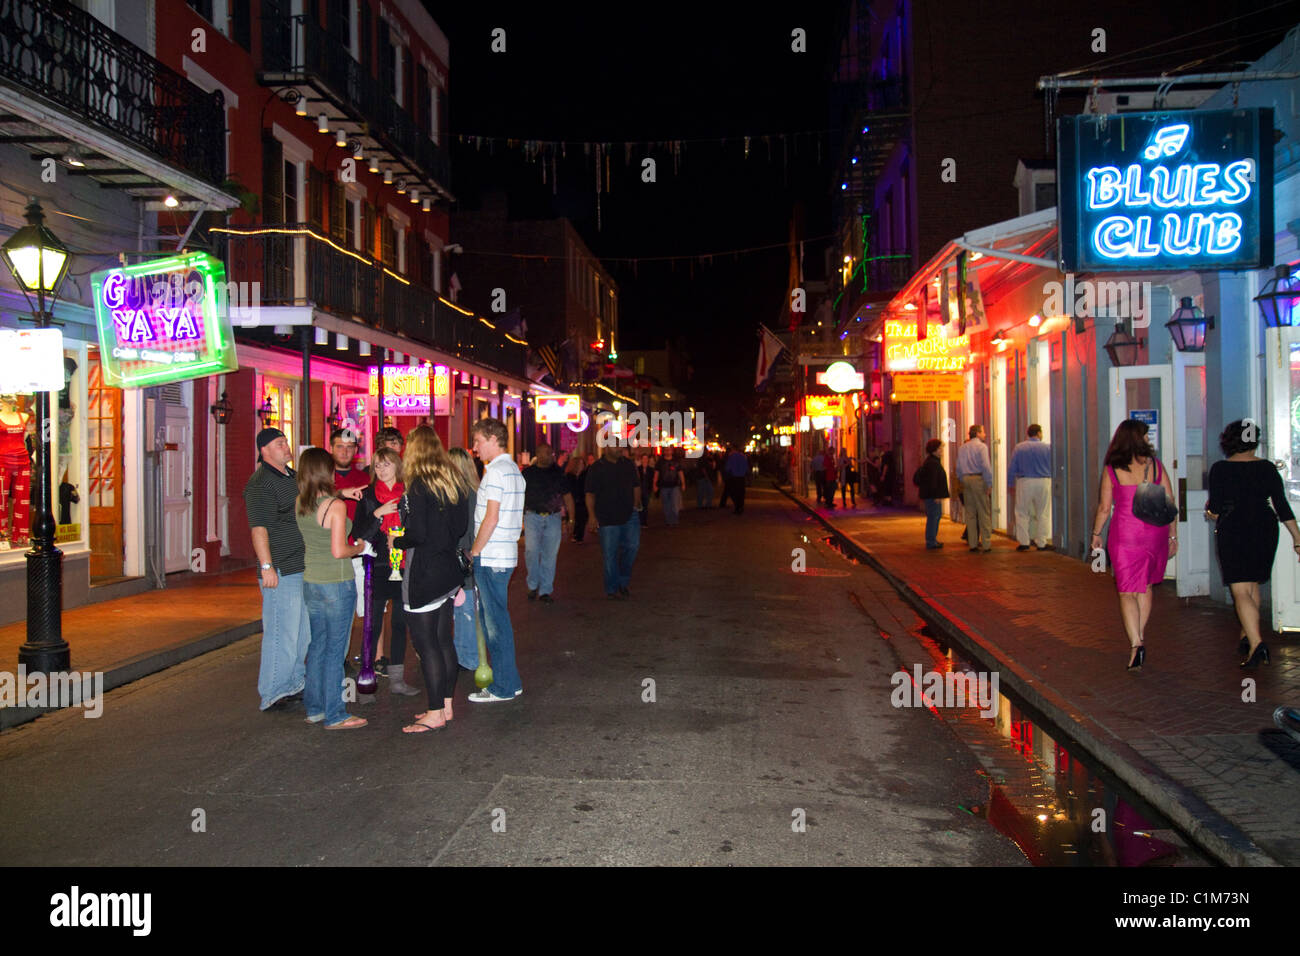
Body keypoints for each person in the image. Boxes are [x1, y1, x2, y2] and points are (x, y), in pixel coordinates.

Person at [388, 426, 470, 732]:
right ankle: (445, 705)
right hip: (449, 570)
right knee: (443, 639)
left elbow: (419, 534)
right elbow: (460, 526)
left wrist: (398, 541)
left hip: (425, 571)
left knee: (426, 645)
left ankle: (434, 712)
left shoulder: (419, 485)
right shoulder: (453, 481)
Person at [1206, 420, 1300, 667]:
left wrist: (1210, 513)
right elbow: (1281, 506)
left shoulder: (1220, 469)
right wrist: (1298, 538)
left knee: (1240, 590)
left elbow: (1215, 508)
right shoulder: (1267, 468)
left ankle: (1258, 645)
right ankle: (1247, 636)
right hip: (1264, 528)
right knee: (1252, 585)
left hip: (1234, 528)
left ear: (1229, 441)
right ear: (1254, 442)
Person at [1090, 419, 1176, 671]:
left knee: (1127, 590)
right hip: (1154, 533)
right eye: (1146, 437)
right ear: (1136, 440)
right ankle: (1139, 635)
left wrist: (1096, 533)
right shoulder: (1156, 467)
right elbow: (1169, 502)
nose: (1149, 441)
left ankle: (1136, 643)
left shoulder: (1112, 469)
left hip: (1125, 534)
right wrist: (1172, 536)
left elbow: (1105, 507)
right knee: (1145, 586)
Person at [295, 447, 368, 730]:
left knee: (318, 646)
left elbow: (322, 508)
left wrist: (343, 494)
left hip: (311, 580)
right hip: (336, 583)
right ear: (327, 471)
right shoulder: (334, 507)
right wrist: (359, 547)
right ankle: (336, 713)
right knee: (336, 650)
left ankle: (314, 707)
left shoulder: (301, 502)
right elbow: (339, 550)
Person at [244, 428, 310, 712]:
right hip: (281, 567)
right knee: (281, 631)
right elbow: (259, 528)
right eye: (279, 444)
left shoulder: (291, 477)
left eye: (285, 442)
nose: (286, 447)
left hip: (301, 565)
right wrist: (267, 566)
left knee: (301, 632)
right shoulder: (260, 484)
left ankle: (294, 682)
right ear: (264, 451)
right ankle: (272, 691)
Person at [350, 446, 417, 696]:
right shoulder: (368, 496)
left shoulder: (409, 494)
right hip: (377, 566)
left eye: (386, 464)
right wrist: (378, 515)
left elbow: (417, 530)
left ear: (397, 466)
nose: (381, 469)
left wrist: (401, 536)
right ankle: (367, 676)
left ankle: (398, 679)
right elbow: (358, 536)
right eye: (377, 465)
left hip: (404, 564)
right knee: (373, 623)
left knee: (400, 622)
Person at [466, 418, 525, 703]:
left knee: (494, 623)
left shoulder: (496, 473)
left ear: (492, 438)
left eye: (477, 441)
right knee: (498, 620)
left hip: (492, 555)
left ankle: (503, 686)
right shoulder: (513, 470)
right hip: (505, 553)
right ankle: (510, 682)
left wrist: (474, 551)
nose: (475, 447)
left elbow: (491, 517)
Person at [586, 442, 642, 597]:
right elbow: (590, 493)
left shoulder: (628, 465)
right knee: (610, 554)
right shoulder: (597, 467)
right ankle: (612, 588)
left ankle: (623, 581)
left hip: (629, 515)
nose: (620, 449)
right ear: (606, 448)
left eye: (621, 446)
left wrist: (635, 506)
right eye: (616, 446)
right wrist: (592, 516)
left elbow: (636, 486)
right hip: (607, 518)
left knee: (632, 547)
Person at [521, 443, 573, 602]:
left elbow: (567, 496)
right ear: (538, 454)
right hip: (532, 516)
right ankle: (532, 584)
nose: (549, 456)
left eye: (550, 453)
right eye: (545, 453)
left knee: (550, 554)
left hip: (553, 516)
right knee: (531, 551)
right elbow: (519, 495)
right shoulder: (528, 473)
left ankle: (545, 590)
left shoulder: (558, 473)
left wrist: (571, 518)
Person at [448, 447, 480, 671]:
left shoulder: (466, 495)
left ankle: (468, 658)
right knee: (462, 609)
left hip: (463, 560)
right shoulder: (468, 492)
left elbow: (467, 530)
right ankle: (463, 655)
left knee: (466, 610)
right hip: (461, 559)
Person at [1009, 424, 1053, 551]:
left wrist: (1011, 483)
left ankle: (1024, 542)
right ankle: (1041, 542)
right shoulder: (1047, 448)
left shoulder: (1020, 448)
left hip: (1025, 481)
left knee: (1022, 512)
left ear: (1028, 434)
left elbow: (1013, 467)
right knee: (1043, 513)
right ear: (1039, 433)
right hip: (1044, 481)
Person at [956, 425, 994, 551]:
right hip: (978, 479)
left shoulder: (962, 448)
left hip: (966, 479)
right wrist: (989, 483)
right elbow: (986, 466)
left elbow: (959, 467)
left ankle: (972, 543)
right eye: (983, 432)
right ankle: (986, 543)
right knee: (983, 512)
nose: (985, 434)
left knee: (970, 513)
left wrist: (962, 479)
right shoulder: (982, 447)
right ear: (977, 433)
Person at [913, 439, 949, 549]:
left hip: (930, 495)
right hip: (932, 496)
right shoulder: (933, 463)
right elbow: (933, 481)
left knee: (934, 517)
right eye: (940, 448)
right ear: (934, 450)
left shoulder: (931, 461)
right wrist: (936, 495)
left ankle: (932, 540)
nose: (942, 450)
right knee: (934, 517)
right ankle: (931, 541)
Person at [656, 448, 686, 526]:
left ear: (672, 451)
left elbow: (680, 472)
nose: (668, 452)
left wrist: (683, 483)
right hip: (664, 486)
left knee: (675, 504)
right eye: (666, 450)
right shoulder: (660, 462)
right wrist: (654, 484)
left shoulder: (676, 462)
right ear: (664, 452)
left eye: (669, 450)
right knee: (666, 504)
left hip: (674, 486)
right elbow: (657, 473)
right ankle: (668, 521)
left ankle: (674, 520)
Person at [564, 453, 588, 543]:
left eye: (583, 464)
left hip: (582, 501)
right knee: (573, 518)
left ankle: (579, 536)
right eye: (580, 464)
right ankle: (573, 533)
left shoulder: (585, 475)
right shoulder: (569, 476)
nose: (582, 466)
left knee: (582, 519)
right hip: (572, 501)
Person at [724, 444, 749, 514]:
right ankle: (741, 507)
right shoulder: (743, 456)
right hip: (742, 477)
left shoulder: (731, 457)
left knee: (734, 492)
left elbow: (727, 468)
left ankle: (737, 507)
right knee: (741, 493)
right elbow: (746, 468)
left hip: (734, 477)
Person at [636, 453, 654, 526]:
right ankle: (640, 521)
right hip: (639, 491)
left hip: (647, 490)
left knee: (645, 506)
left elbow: (652, 480)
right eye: (643, 459)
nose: (645, 460)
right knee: (640, 507)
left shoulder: (650, 470)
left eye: (646, 459)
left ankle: (644, 522)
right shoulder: (638, 469)